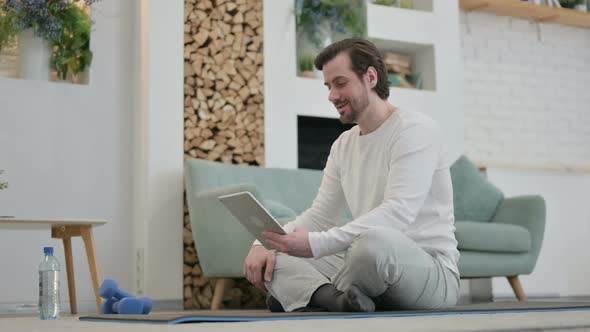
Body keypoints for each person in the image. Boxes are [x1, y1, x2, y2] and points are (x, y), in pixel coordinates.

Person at [244, 38, 460, 312]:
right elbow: (319, 216)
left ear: (370, 77)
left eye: (340, 83)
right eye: (328, 86)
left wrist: (313, 244)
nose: (332, 95)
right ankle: (340, 300)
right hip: (365, 264)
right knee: (277, 261)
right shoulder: (343, 145)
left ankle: (312, 296)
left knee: (371, 247)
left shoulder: (415, 130)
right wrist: (262, 245)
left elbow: (398, 213)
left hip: (429, 270)